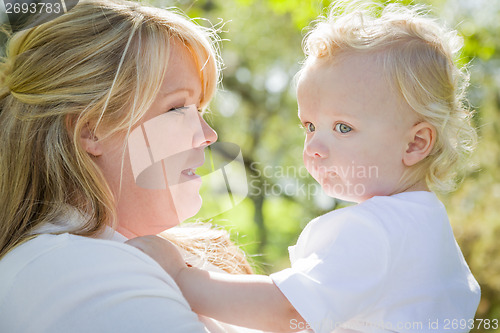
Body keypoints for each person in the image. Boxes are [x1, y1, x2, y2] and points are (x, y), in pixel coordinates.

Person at [126, 1, 482, 332]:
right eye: (309, 127)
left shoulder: (376, 229)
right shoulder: (427, 228)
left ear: (415, 143)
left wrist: (180, 276)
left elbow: (290, 312)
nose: (314, 147)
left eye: (343, 128)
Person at [0, 0, 255, 332]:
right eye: (178, 108)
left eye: (201, 111)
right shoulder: (75, 273)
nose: (208, 135)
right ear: (93, 129)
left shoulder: (128, 260)